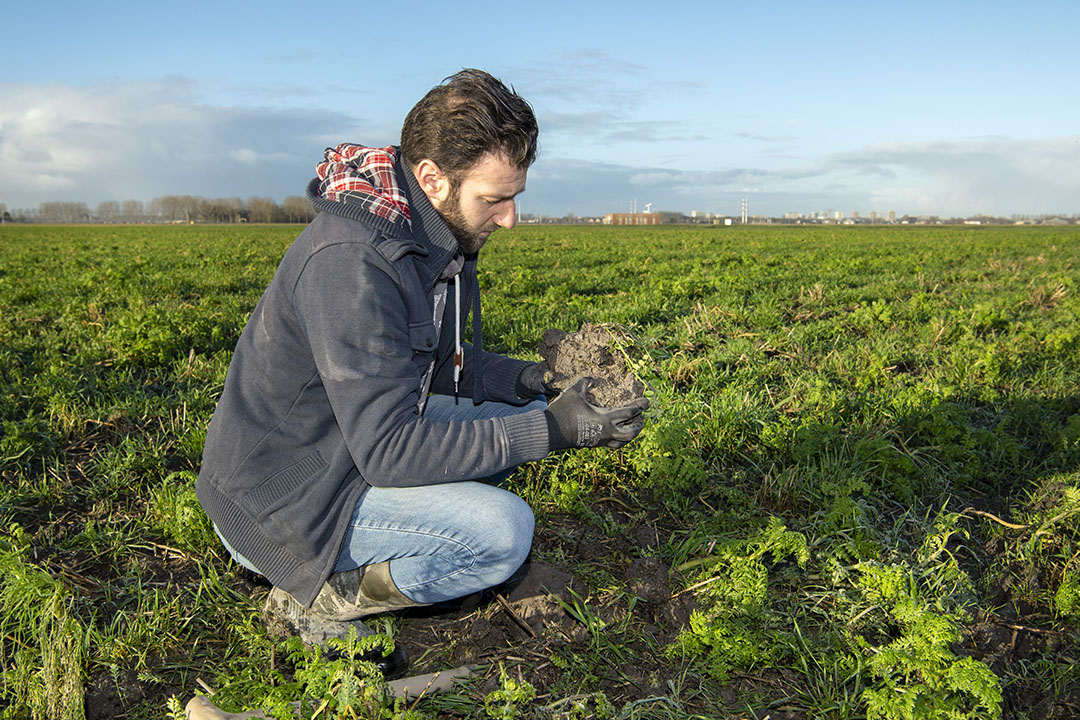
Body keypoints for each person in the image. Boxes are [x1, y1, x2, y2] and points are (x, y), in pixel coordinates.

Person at [195, 69, 649, 671]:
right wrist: (553, 432)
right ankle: (325, 598)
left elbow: (444, 371)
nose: (510, 218)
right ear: (433, 178)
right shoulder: (352, 264)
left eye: (515, 195)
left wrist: (540, 386)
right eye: (495, 198)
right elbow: (389, 452)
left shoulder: (435, 240)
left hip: (344, 445)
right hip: (284, 499)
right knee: (501, 533)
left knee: (510, 420)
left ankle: (370, 558)